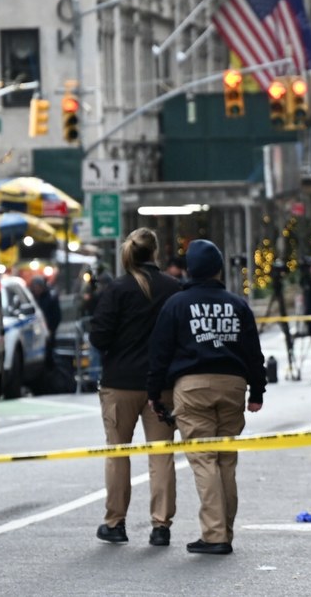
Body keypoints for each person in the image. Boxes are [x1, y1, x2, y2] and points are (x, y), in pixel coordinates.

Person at [149, 239, 266, 556]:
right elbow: (253, 354)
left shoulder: (176, 304)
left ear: (190, 270)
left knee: (203, 460)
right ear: (218, 270)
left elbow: (160, 353)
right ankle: (224, 531)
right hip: (232, 384)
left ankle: (214, 535)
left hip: (192, 386)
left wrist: (155, 395)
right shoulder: (237, 304)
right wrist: (257, 391)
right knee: (226, 460)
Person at [89, 228, 182, 546]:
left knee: (118, 452)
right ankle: (161, 525)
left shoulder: (117, 290)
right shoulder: (173, 289)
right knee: (161, 455)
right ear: (156, 253)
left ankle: (115, 522)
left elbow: (98, 336)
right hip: (163, 385)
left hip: (120, 383)